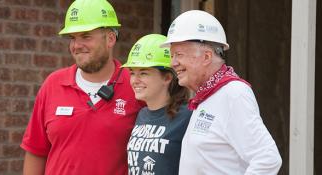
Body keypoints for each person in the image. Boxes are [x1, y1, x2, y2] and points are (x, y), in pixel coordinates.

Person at [20, 0, 143, 174]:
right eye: (72, 38)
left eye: (86, 36)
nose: (76, 46)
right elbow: (36, 151)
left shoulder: (136, 85)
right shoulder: (53, 84)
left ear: (110, 38)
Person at [160, 10, 282, 174]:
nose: (172, 63)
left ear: (206, 57)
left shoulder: (233, 93)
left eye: (179, 54)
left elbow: (267, 159)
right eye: (172, 55)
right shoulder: (208, 95)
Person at [122, 34, 192, 175]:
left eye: (143, 73)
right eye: (132, 73)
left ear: (167, 78)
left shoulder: (187, 116)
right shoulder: (142, 114)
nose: (135, 80)